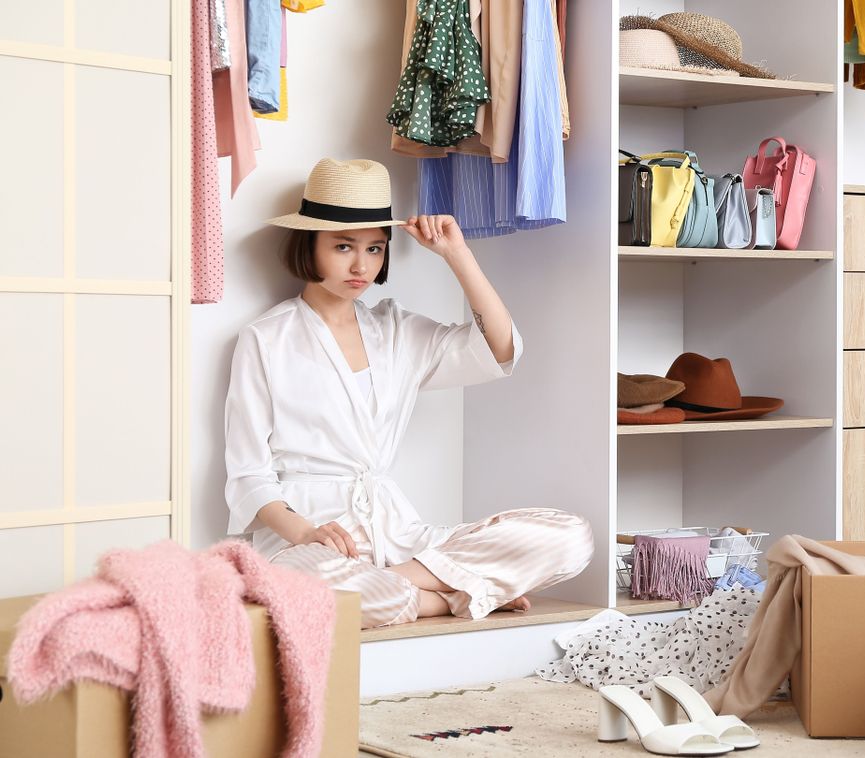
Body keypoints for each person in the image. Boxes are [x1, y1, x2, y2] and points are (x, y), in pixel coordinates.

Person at [223, 158, 593, 629]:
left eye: (375, 249)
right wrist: (309, 532)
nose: (362, 265)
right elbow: (248, 475)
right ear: (308, 244)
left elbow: (500, 349)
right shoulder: (267, 337)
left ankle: (403, 587)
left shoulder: (396, 330)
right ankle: (459, 594)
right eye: (343, 247)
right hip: (307, 543)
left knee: (571, 537)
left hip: (398, 535)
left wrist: (457, 254)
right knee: (334, 592)